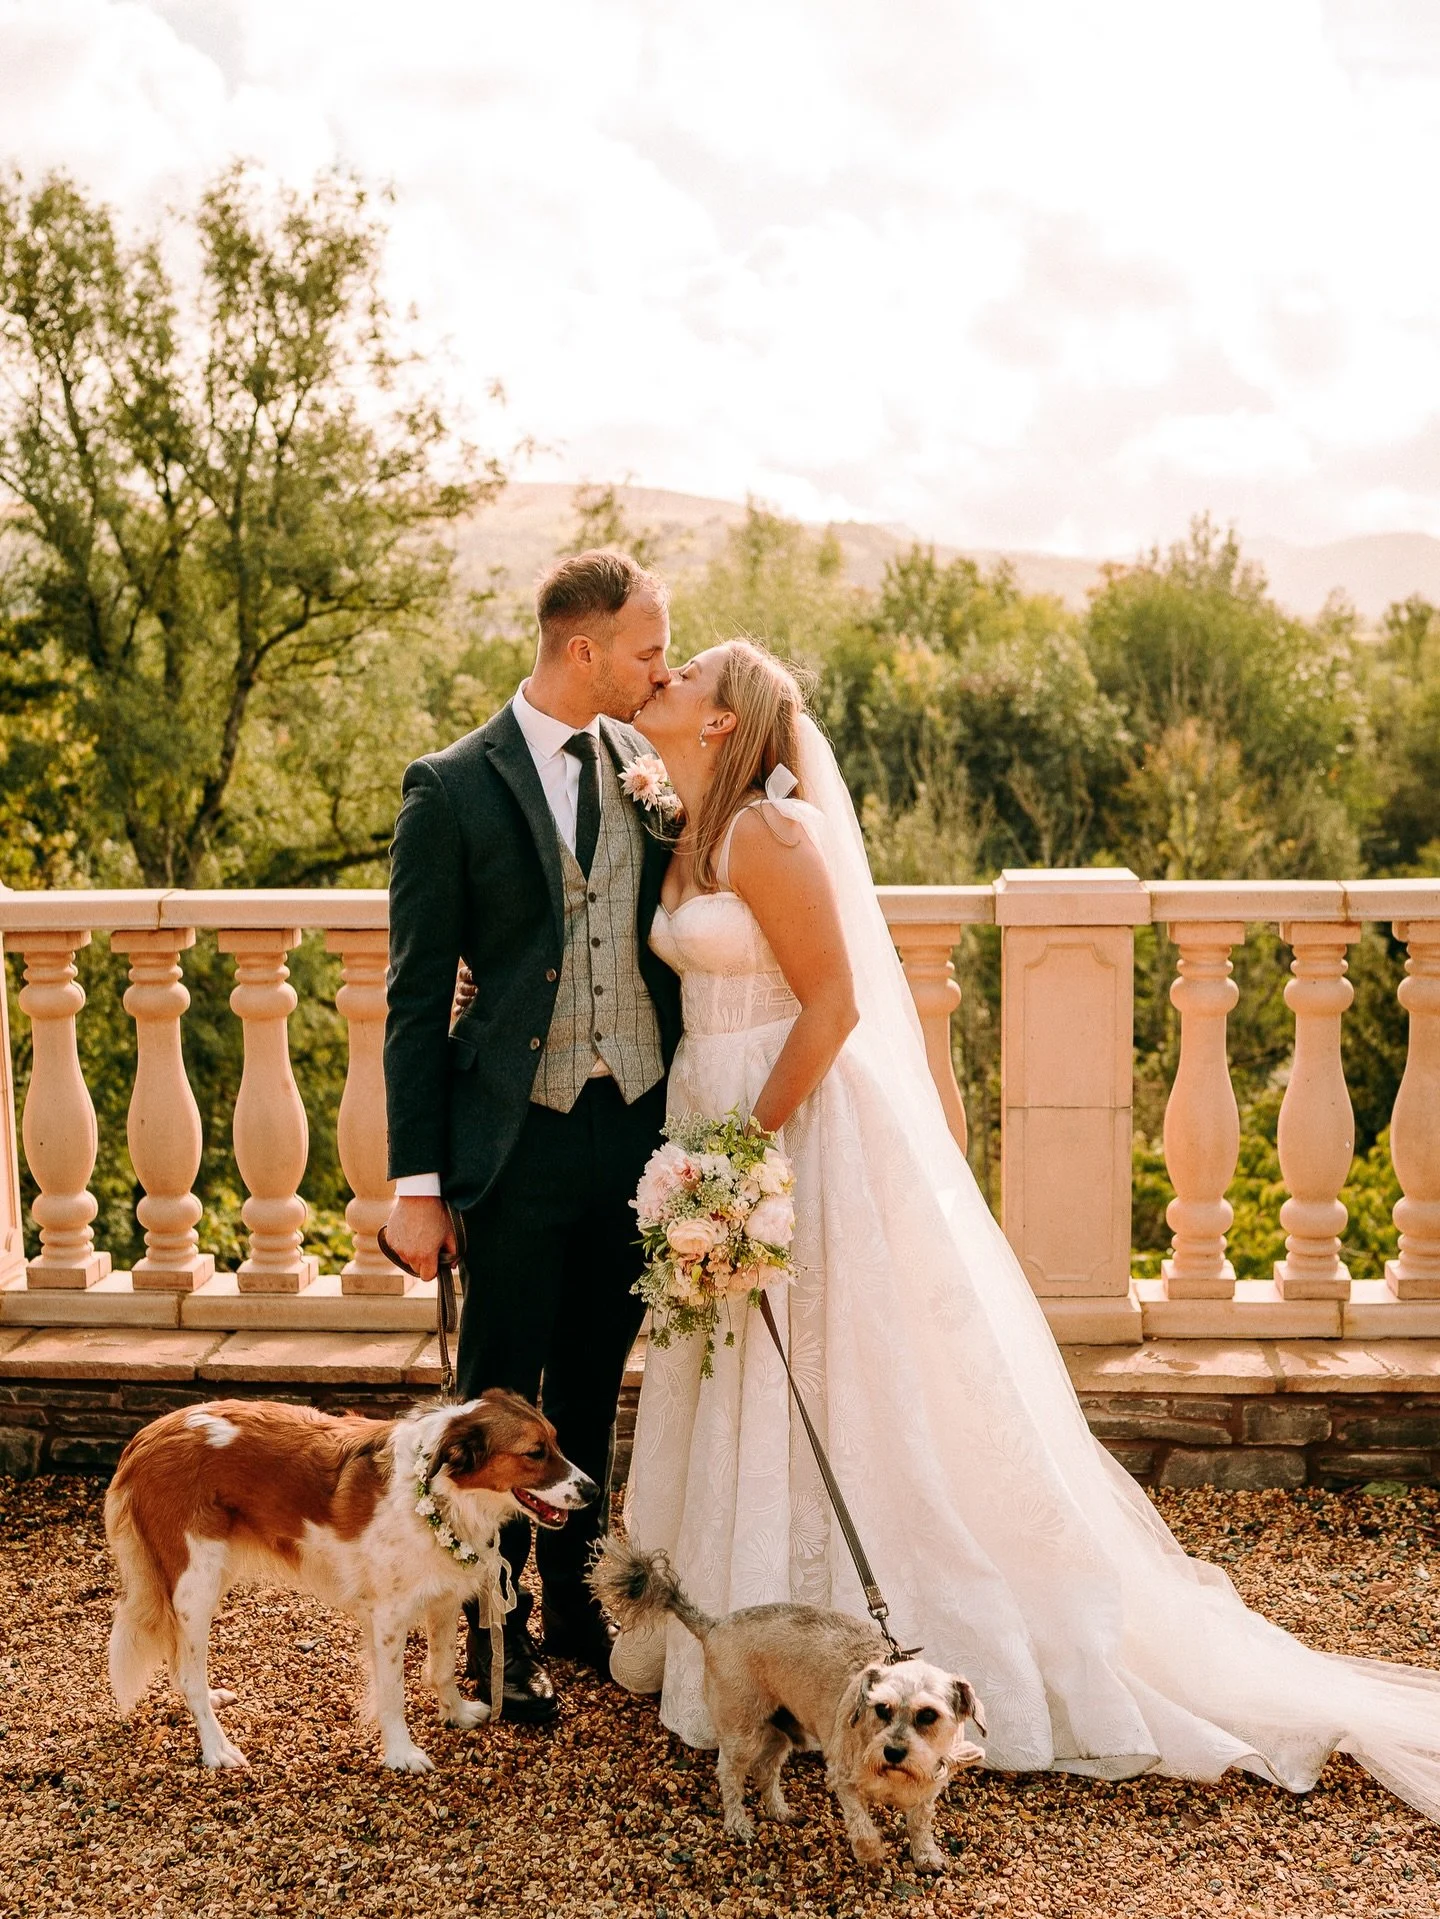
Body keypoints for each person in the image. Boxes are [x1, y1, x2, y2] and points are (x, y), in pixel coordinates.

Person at [614, 636, 1440, 1818]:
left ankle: (849, 1649)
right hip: (718, 1114)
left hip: (782, 1127)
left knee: (842, 1373)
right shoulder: (693, 825)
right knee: (743, 1364)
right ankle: (751, 1647)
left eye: (686, 671)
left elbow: (836, 1001)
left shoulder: (770, 832)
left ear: (724, 715)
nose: (667, 676)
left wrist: (742, 1152)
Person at [382, 550, 680, 1723]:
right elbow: (414, 998)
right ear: (583, 649)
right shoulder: (449, 787)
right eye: (647, 648)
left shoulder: (649, 769)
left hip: (634, 1129)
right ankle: (494, 1641)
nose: (660, 668)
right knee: (497, 1404)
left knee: (599, 1382)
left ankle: (574, 1605)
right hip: (513, 1142)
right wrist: (417, 1182)